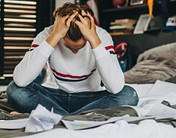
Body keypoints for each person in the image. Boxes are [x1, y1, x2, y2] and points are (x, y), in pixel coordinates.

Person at [6, 2, 139, 115]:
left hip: (90, 99)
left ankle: (60, 117)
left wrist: (93, 40)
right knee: (14, 90)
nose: (75, 51)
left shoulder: (100, 36)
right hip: (54, 97)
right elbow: (21, 80)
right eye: (69, 47)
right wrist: (55, 35)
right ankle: (75, 118)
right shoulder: (48, 34)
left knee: (128, 95)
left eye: (80, 46)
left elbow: (115, 87)